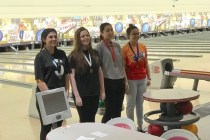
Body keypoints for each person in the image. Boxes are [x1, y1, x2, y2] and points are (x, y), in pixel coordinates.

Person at [34, 28, 70, 140]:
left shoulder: (61, 53)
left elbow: (67, 74)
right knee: (46, 127)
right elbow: (39, 80)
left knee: (58, 126)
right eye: (50, 37)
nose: (53, 39)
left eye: (55, 36)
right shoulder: (40, 57)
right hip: (46, 97)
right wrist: (51, 96)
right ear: (44, 39)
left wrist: (67, 90)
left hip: (60, 96)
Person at [68, 27, 105, 122]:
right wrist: (76, 95)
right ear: (78, 39)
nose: (86, 38)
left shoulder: (94, 53)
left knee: (92, 119)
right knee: (84, 120)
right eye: (82, 36)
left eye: (87, 35)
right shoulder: (73, 55)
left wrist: (102, 91)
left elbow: (100, 72)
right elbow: (71, 77)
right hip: (82, 93)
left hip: (94, 92)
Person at [95, 22, 128, 123]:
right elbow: (98, 68)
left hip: (120, 81)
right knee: (109, 110)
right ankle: (103, 131)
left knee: (118, 111)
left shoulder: (117, 45)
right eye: (107, 30)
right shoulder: (99, 47)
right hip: (108, 81)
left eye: (111, 30)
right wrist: (101, 88)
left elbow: (122, 65)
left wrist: (125, 81)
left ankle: (116, 133)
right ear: (101, 33)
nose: (110, 32)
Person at [122, 24, 151, 132]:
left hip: (142, 79)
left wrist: (149, 77)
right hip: (131, 80)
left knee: (140, 104)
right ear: (128, 35)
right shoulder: (124, 49)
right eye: (133, 34)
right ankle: (131, 127)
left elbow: (146, 63)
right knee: (130, 105)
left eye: (137, 33)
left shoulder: (143, 46)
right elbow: (123, 68)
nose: (136, 35)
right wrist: (125, 82)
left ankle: (140, 125)